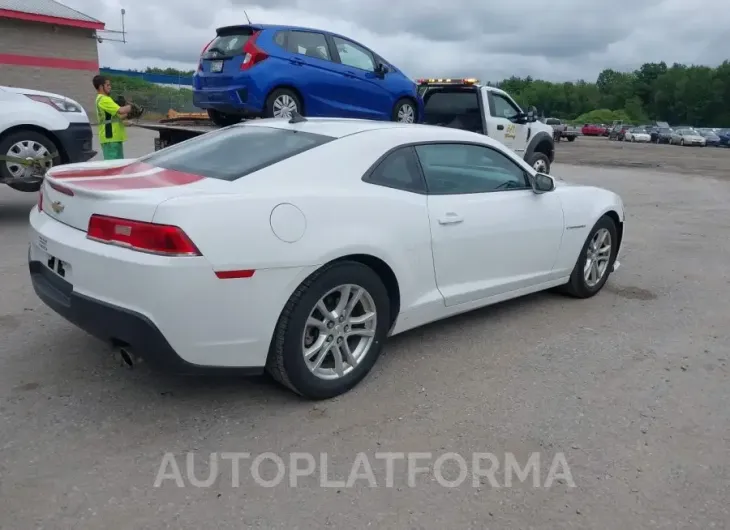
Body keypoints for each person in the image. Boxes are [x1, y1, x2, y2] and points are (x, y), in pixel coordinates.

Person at [92, 75, 132, 160]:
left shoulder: (104, 99)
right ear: (100, 86)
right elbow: (121, 110)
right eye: (108, 85)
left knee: (118, 166)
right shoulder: (104, 99)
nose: (110, 87)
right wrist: (131, 107)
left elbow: (118, 117)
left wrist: (129, 115)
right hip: (110, 137)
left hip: (113, 138)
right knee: (113, 167)